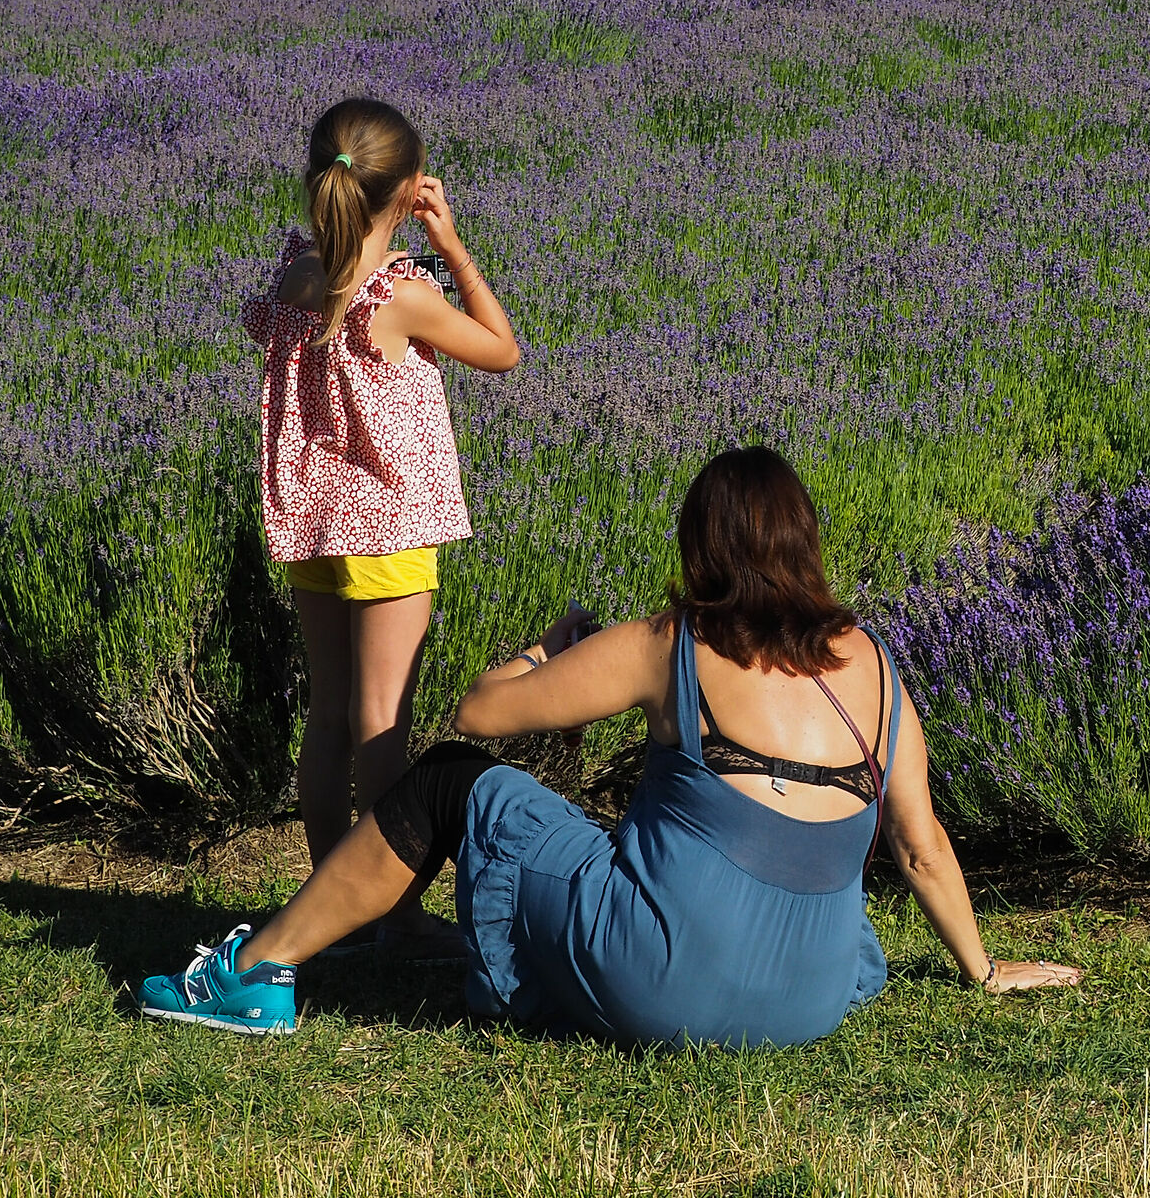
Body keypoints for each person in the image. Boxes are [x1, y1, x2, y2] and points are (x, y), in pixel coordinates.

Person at [137, 446, 1084, 1044]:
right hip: (808, 998)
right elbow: (921, 847)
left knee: (452, 784)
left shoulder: (676, 641)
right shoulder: (876, 667)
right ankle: (340, 950)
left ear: (701, 549)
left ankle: (255, 973)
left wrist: (549, 649)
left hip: (664, 978)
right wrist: (987, 970)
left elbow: (479, 715)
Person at [242, 97, 521, 950]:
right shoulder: (399, 295)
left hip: (313, 527)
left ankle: (328, 910)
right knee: (380, 723)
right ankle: (386, 915)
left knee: (328, 718)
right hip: (388, 529)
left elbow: (265, 331)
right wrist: (452, 247)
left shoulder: (293, 277)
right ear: (406, 192)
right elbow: (502, 348)